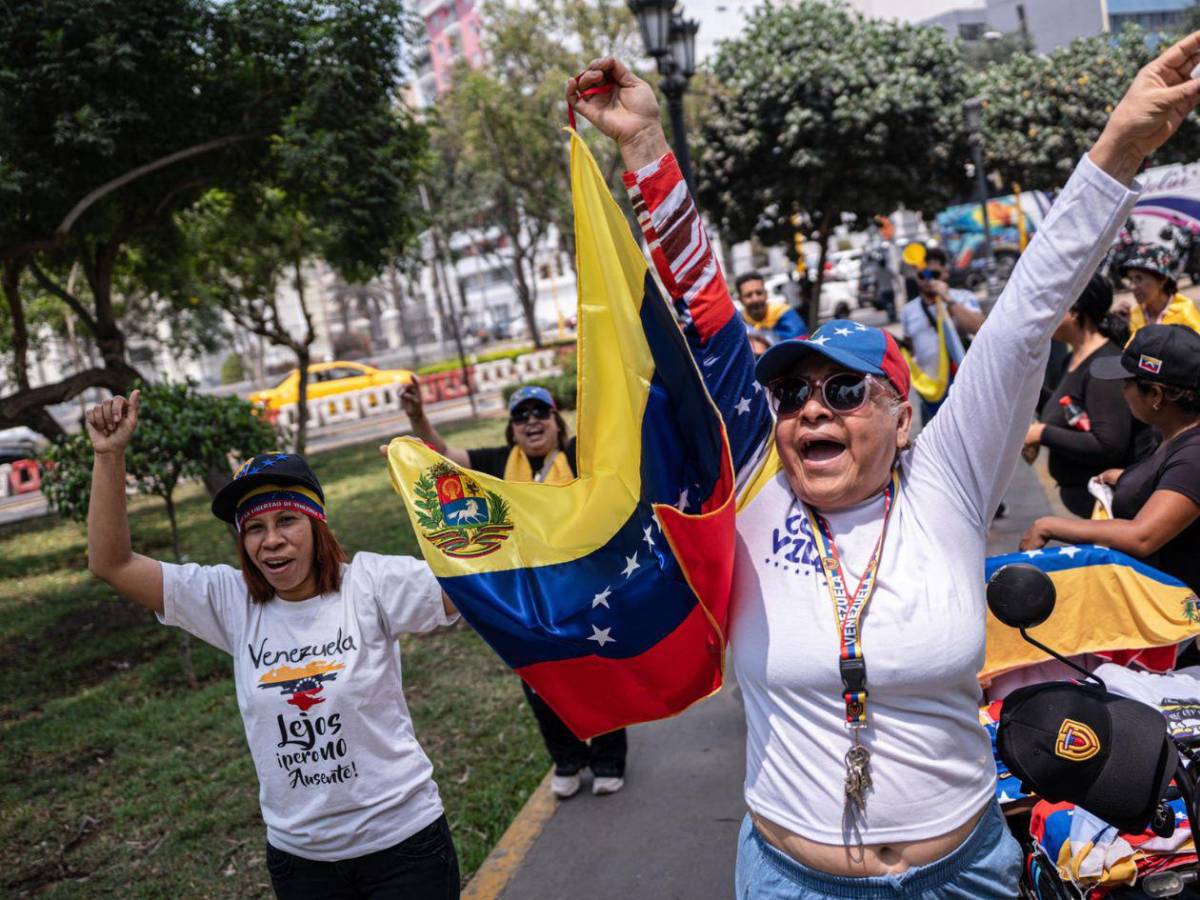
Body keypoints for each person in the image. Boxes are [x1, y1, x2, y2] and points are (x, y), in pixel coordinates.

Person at [567, 31, 1198, 898]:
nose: (812, 409)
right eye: (792, 397)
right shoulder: (755, 491)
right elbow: (706, 313)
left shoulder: (944, 484)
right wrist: (644, 148)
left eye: (845, 390)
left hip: (963, 874)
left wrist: (1121, 145)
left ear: (904, 419)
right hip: (792, 880)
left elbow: (1024, 314)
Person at [84, 391, 461, 900]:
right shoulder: (230, 601)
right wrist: (109, 456)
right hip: (301, 861)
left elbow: (471, 576)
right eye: (254, 528)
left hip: (404, 848)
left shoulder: (370, 584)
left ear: (316, 526)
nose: (271, 540)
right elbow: (113, 564)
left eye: (287, 521)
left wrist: (440, 488)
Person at [399, 379, 628, 799]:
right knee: (540, 679)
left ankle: (609, 759)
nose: (531, 422)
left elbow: (618, 439)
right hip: (529, 597)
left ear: (557, 423)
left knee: (597, 672)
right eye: (521, 417)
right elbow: (445, 457)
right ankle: (567, 760)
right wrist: (417, 417)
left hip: (584, 587)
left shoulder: (580, 456)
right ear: (512, 430)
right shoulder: (501, 462)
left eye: (541, 413)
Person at [1021, 325, 1200, 596]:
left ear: (1155, 395)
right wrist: (1129, 477)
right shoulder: (1170, 435)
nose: (1121, 389)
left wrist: (1050, 525)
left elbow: (1143, 536)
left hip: (1179, 621)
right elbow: (1168, 481)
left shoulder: (1192, 455)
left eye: (1126, 382)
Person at [1023, 274, 1143, 516]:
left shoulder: (1105, 367)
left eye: (1053, 307)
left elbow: (1108, 444)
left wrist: (1041, 433)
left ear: (1075, 312)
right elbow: (1065, 408)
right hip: (1086, 507)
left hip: (1107, 512)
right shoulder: (1072, 358)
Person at [898, 246, 986, 423]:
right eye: (923, 275)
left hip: (965, 383)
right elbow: (912, 349)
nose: (929, 281)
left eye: (935, 275)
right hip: (933, 389)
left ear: (946, 273)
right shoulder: (908, 311)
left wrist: (947, 300)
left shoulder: (962, 297)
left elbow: (978, 327)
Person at [1123, 243, 1200, 336]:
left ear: (1162, 279)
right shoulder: (1134, 316)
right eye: (1130, 280)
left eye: (1139, 279)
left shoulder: (1184, 313)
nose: (1132, 287)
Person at [738, 271, 808, 343]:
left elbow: (799, 346)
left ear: (766, 294)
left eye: (759, 293)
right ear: (740, 300)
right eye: (749, 295)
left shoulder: (786, 315)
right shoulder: (739, 325)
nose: (755, 299)